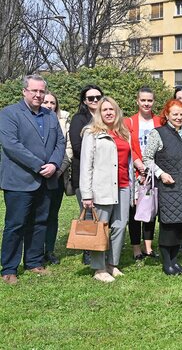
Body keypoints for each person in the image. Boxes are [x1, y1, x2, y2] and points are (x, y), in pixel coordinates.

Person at [0, 75, 65, 285]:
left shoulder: (50, 116)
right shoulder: (9, 114)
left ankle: (33, 262)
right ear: (24, 91)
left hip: (47, 180)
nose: (38, 95)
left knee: (40, 222)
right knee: (15, 225)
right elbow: (11, 145)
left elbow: (60, 143)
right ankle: (9, 268)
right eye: (34, 91)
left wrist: (54, 164)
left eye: (41, 91)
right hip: (20, 180)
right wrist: (39, 166)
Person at [79, 96, 133, 283]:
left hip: (124, 186)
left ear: (117, 112)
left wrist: (132, 189)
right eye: (105, 110)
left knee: (120, 225)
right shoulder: (91, 133)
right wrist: (87, 194)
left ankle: (112, 264)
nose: (109, 112)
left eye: (112, 109)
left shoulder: (124, 133)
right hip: (101, 188)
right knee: (100, 229)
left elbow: (129, 162)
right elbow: (86, 165)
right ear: (99, 113)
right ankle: (99, 268)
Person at [143, 99, 182, 275]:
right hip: (168, 186)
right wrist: (160, 174)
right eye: (175, 114)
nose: (179, 117)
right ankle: (167, 263)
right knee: (169, 227)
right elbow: (147, 159)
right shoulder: (157, 134)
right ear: (166, 115)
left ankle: (175, 261)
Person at [124, 87, 162, 261]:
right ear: (137, 101)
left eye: (150, 100)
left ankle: (148, 246)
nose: (147, 103)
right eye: (143, 100)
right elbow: (128, 147)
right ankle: (136, 248)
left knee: (150, 209)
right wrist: (140, 167)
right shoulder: (129, 122)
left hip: (153, 171)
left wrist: (151, 169)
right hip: (136, 172)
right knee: (134, 211)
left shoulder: (160, 121)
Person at [69, 85, 104, 265]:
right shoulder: (79, 119)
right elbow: (77, 147)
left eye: (98, 97)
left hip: (105, 176)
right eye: (91, 98)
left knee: (101, 214)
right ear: (84, 101)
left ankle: (101, 245)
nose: (95, 101)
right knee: (89, 213)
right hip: (84, 175)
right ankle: (88, 251)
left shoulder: (106, 116)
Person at [40, 92, 72, 265]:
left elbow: (68, 149)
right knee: (37, 215)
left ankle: (49, 250)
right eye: (46, 101)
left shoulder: (64, 121)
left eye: (53, 102)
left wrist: (57, 170)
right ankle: (35, 250)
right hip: (36, 175)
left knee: (52, 214)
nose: (49, 105)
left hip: (57, 175)